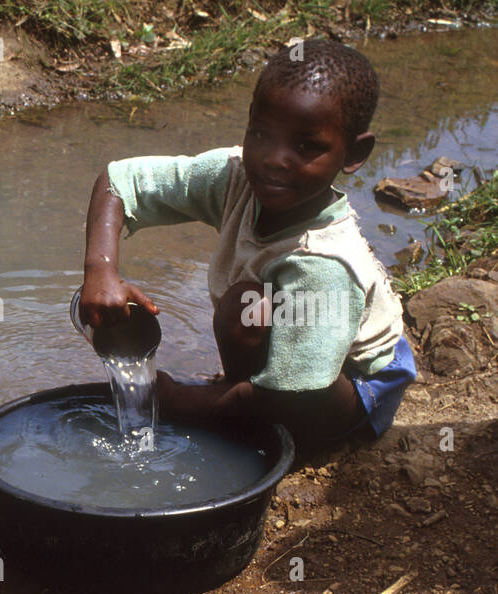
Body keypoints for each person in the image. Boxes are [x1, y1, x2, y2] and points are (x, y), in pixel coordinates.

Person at [79, 38, 415, 443]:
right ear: (249, 120)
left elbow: (298, 393)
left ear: (354, 153)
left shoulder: (323, 264)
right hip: (305, 355)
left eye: (307, 146)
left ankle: (262, 423)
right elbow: (120, 182)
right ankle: (240, 395)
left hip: (354, 386)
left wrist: (177, 399)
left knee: (250, 320)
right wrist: (100, 270)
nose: (274, 158)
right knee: (246, 309)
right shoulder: (237, 176)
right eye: (261, 134)